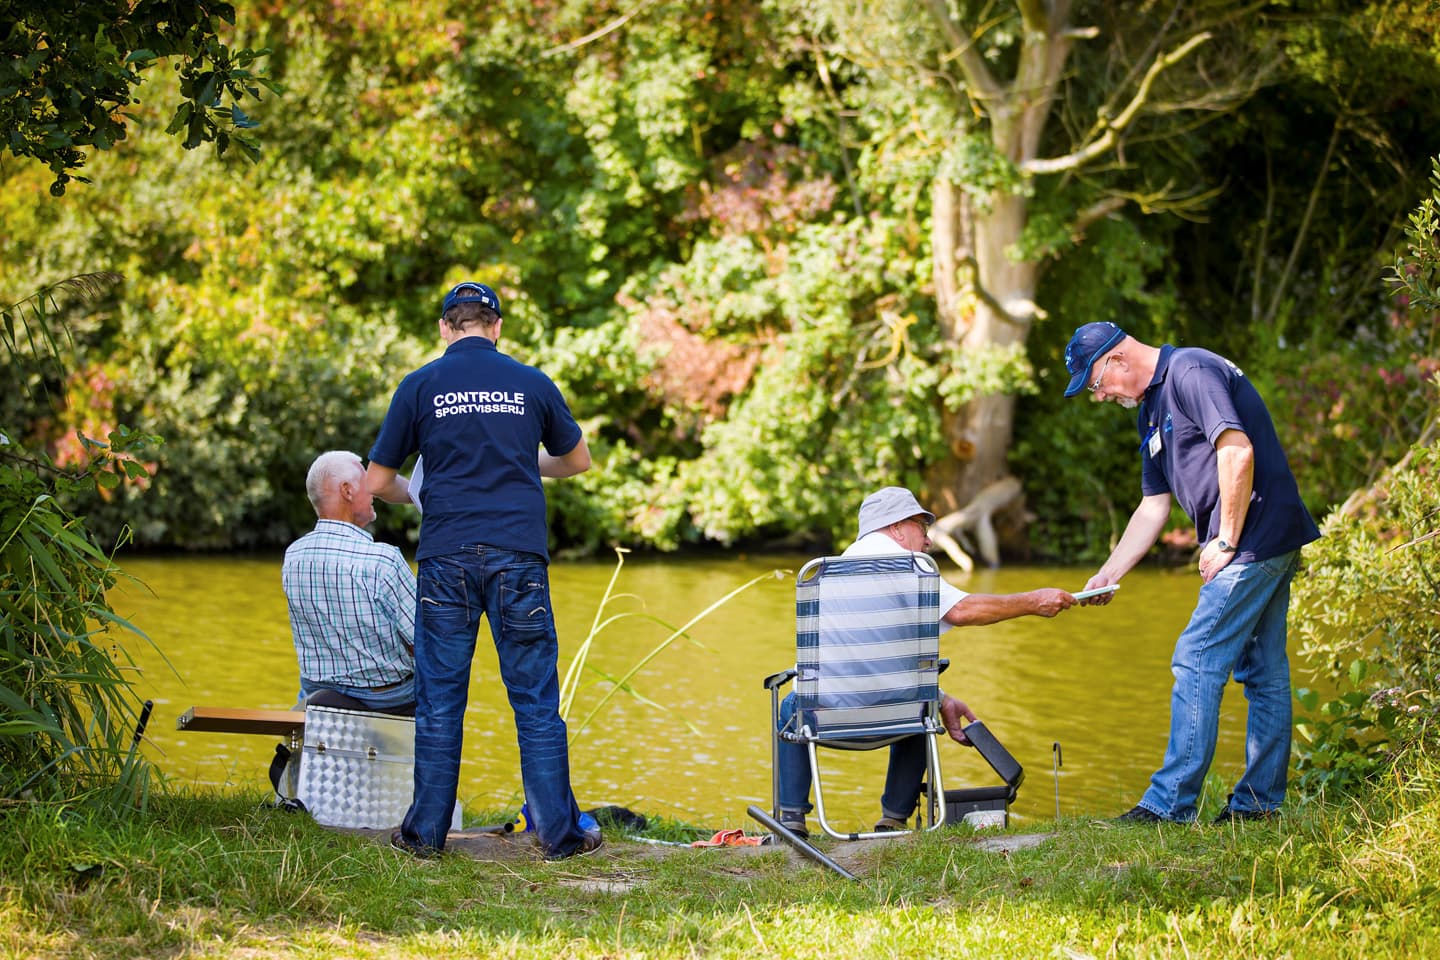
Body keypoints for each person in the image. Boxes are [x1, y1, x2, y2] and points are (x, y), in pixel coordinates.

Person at [366, 281, 598, 860]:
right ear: (495, 327)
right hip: (519, 555)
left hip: (446, 556)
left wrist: (420, 494)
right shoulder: (531, 382)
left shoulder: (419, 385)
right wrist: (526, 463)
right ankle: (560, 837)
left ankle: (424, 837)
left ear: (446, 327)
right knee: (536, 700)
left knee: (441, 701)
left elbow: (375, 481)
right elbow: (577, 459)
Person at [1063, 321, 1320, 824]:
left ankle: (1168, 806)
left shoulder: (1190, 370)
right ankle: (1258, 807)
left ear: (1116, 359)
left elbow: (1236, 449)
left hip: (1256, 537)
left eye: (1096, 385)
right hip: (1255, 539)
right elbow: (1153, 506)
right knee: (1264, 671)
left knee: (1196, 657)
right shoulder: (1150, 412)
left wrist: (1225, 537)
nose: (1100, 397)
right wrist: (1107, 573)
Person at [775, 486, 1077, 837]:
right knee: (917, 703)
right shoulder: (911, 568)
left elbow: (870, 664)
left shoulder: (825, 575)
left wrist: (944, 698)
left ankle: (791, 819)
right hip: (900, 718)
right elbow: (963, 610)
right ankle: (893, 818)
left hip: (822, 717)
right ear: (898, 527)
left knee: (789, 707)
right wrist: (1032, 601)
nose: (929, 541)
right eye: (923, 527)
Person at [282, 450, 416, 714]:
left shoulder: (293, 556)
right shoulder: (383, 559)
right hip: (387, 697)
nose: (375, 492)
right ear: (347, 490)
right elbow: (423, 641)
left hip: (319, 690)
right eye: (366, 482)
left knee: (312, 679)